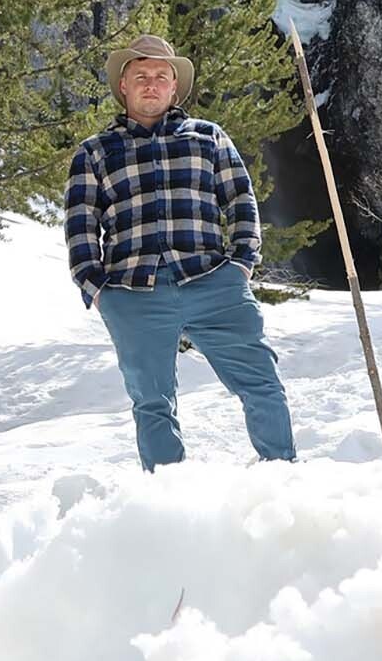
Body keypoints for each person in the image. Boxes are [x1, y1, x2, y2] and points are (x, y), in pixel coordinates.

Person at [64, 34, 296, 472]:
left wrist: (242, 264)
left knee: (262, 383)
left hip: (213, 282)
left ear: (174, 88)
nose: (151, 84)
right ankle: (171, 504)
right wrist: (98, 290)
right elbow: (80, 226)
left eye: (160, 77)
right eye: (141, 77)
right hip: (132, 294)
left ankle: (282, 478)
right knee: (152, 402)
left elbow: (240, 199)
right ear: (124, 88)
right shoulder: (94, 153)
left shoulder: (208, 137)